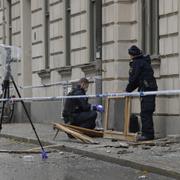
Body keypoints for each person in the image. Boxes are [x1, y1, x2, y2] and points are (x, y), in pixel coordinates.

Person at [126, 45, 158, 141]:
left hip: (147, 89)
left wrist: (127, 91)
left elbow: (133, 79)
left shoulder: (137, 63)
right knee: (146, 111)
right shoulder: (143, 62)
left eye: (130, 55)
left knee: (145, 112)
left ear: (132, 55)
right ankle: (147, 133)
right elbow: (137, 80)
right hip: (148, 89)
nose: (129, 57)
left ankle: (147, 135)